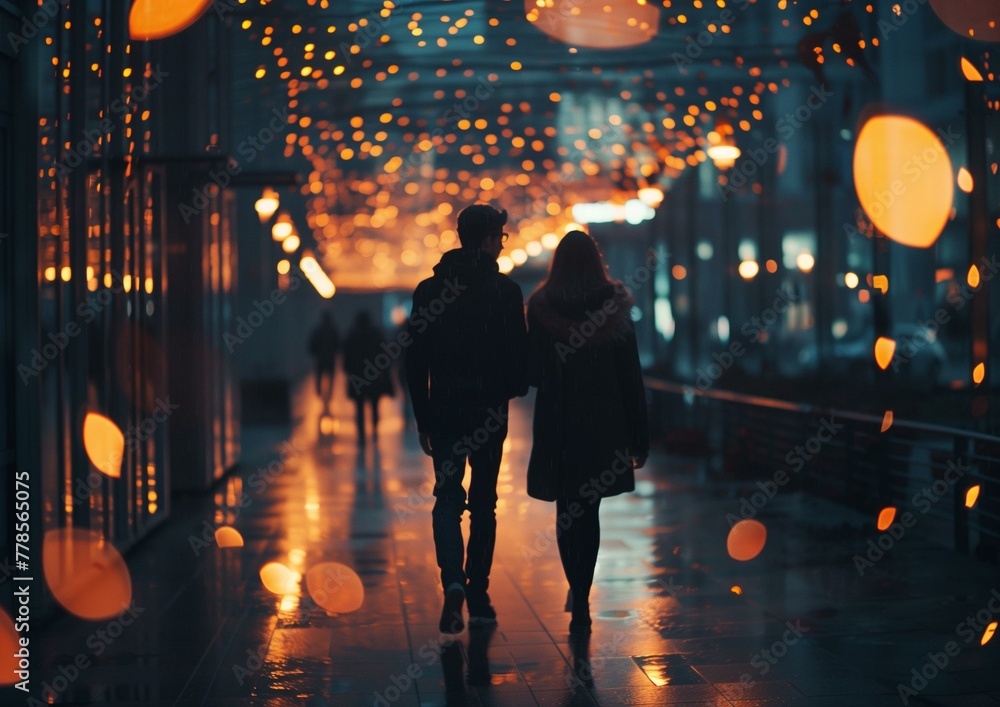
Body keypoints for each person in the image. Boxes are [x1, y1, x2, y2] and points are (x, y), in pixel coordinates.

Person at [406, 203, 528, 634]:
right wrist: (511, 386)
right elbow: (520, 361)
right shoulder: (506, 293)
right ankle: (478, 591)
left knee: (446, 500)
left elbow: (414, 361)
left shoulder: (428, 291)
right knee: (483, 504)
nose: (501, 243)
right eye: (499, 236)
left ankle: (452, 581)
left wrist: (423, 419)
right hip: (489, 413)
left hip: (444, 412)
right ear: (487, 239)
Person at [525, 230, 649, 634]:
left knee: (566, 508)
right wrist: (639, 436)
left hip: (559, 419)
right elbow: (631, 375)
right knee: (589, 509)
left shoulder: (542, 307)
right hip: (603, 419)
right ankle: (583, 592)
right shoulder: (614, 304)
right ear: (597, 260)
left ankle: (575, 589)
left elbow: (537, 371)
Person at [342, 311, 394, 445]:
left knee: (359, 407)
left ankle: (362, 436)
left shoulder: (352, 335)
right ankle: (375, 430)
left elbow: (346, 359)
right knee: (375, 406)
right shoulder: (376, 335)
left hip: (358, 377)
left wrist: (350, 372)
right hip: (374, 377)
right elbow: (385, 357)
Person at [308, 311, 340, 403]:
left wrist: (315, 352)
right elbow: (338, 344)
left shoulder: (318, 331)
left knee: (319, 376)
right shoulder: (333, 331)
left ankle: (319, 392)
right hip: (330, 358)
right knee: (330, 378)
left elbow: (312, 344)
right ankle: (328, 394)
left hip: (321, 358)